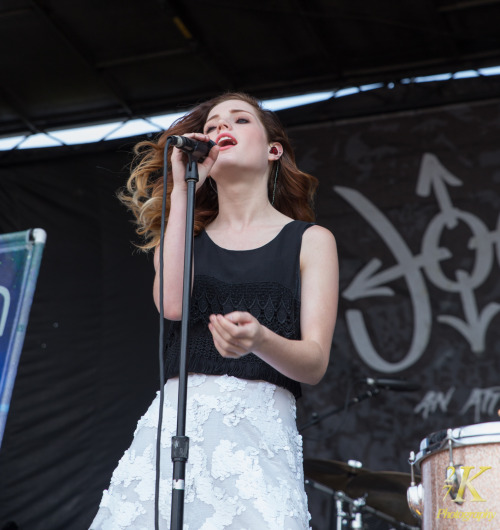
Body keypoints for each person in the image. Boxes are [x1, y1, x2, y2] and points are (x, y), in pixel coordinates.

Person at [90, 92, 338, 529]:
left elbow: (314, 363)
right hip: (175, 433)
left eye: (240, 120)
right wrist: (185, 187)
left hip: (257, 442)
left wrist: (260, 340)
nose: (222, 128)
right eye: (213, 125)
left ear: (273, 149)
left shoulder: (310, 241)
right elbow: (171, 305)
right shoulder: (185, 237)